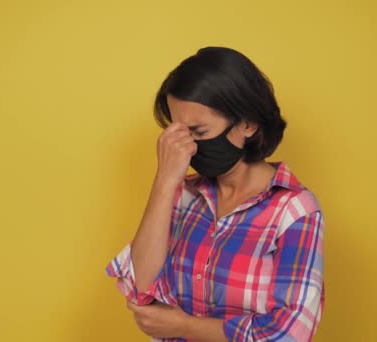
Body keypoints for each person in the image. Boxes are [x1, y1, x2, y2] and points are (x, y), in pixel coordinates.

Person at [105, 47, 325, 342]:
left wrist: (183, 326)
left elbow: (289, 334)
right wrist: (165, 181)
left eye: (200, 131)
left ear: (247, 124)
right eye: (178, 132)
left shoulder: (294, 210)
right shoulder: (184, 197)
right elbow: (141, 291)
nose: (187, 146)